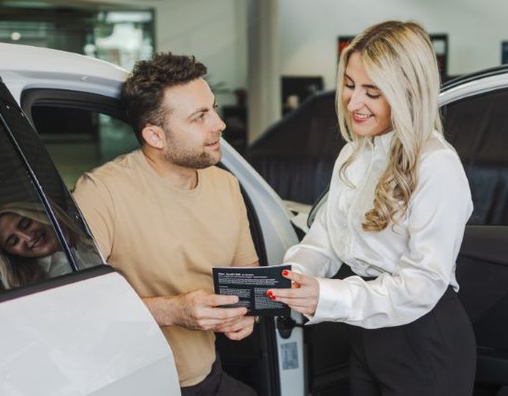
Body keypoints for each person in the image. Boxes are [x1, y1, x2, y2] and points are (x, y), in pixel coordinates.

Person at [269, 20, 476, 395]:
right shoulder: (354, 153)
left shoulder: (436, 165)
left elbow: (423, 283)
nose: (353, 102)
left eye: (372, 92)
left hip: (422, 338)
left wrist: (327, 296)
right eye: (349, 85)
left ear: (407, 93)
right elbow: (327, 240)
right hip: (365, 332)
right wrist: (295, 276)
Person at [72, 52, 259, 395]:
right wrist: (174, 311)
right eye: (200, 117)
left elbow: (246, 270)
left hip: (205, 374)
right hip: (134, 382)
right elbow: (72, 308)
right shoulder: (101, 192)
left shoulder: (226, 184)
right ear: (155, 136)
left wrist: (247, 311)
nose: (219, 124)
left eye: (213, 109)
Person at [0, 201, 98, 289]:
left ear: (39, 214)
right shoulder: (39, 288)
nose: (29, 237)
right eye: (13, 241)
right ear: (11, 254)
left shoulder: (92, 236)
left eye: (25, 224)